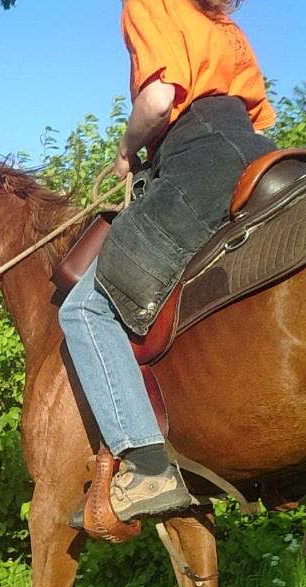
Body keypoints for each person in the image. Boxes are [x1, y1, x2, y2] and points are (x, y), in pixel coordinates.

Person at [59, 0, 277, 523]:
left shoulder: (150, 3)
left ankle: (148, 465)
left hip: (198, 159)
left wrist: (126, 149)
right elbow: (257, 112)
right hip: (260, 152)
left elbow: (158, 102)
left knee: (85, 308)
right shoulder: (226, 27)